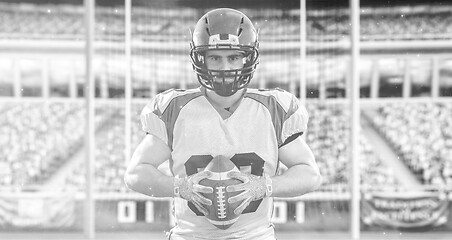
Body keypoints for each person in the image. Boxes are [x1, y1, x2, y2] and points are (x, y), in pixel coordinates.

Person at [124, 8, 322, 240]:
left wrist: (263, 186)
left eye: (233, 57)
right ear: (201, 58)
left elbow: (309, 174)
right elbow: (136, 174)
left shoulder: (274, 109)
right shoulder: (174, 109)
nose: (225, 67)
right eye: (215, 57)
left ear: (248, 58)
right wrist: (179, 187)